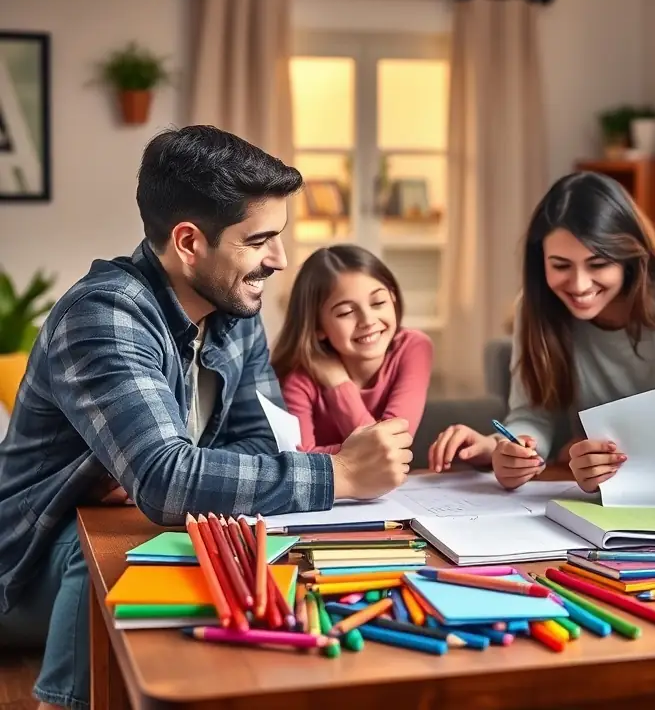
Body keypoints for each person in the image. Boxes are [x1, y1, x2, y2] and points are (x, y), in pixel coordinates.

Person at [0, 126, 413, 710]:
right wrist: (340, 475)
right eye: (261, 239)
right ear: (189, 242)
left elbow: (260, 445)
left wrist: (183, 475)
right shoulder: (105, 315)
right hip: (26, 567)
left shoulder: (235, 308)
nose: (280, 259)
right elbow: (170, 483)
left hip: (141, 531)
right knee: (104, 540)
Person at [428, 171, 655, 492]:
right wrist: (517, 449)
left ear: (630, 257)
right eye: (561, 265)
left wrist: (599, 461)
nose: (579, 285)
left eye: (597, 264)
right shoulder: (535, 307)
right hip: (584, 490)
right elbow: (533, 416)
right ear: (542, 263)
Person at [272, 244, 433, 450]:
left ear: (393, 298)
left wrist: (338, 384)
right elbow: (302, 464)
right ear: (317, 326)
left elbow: (392, 448)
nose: (367, 320)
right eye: (346, 312)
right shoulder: (300, 377)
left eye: (378, 302)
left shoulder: (414, 347)